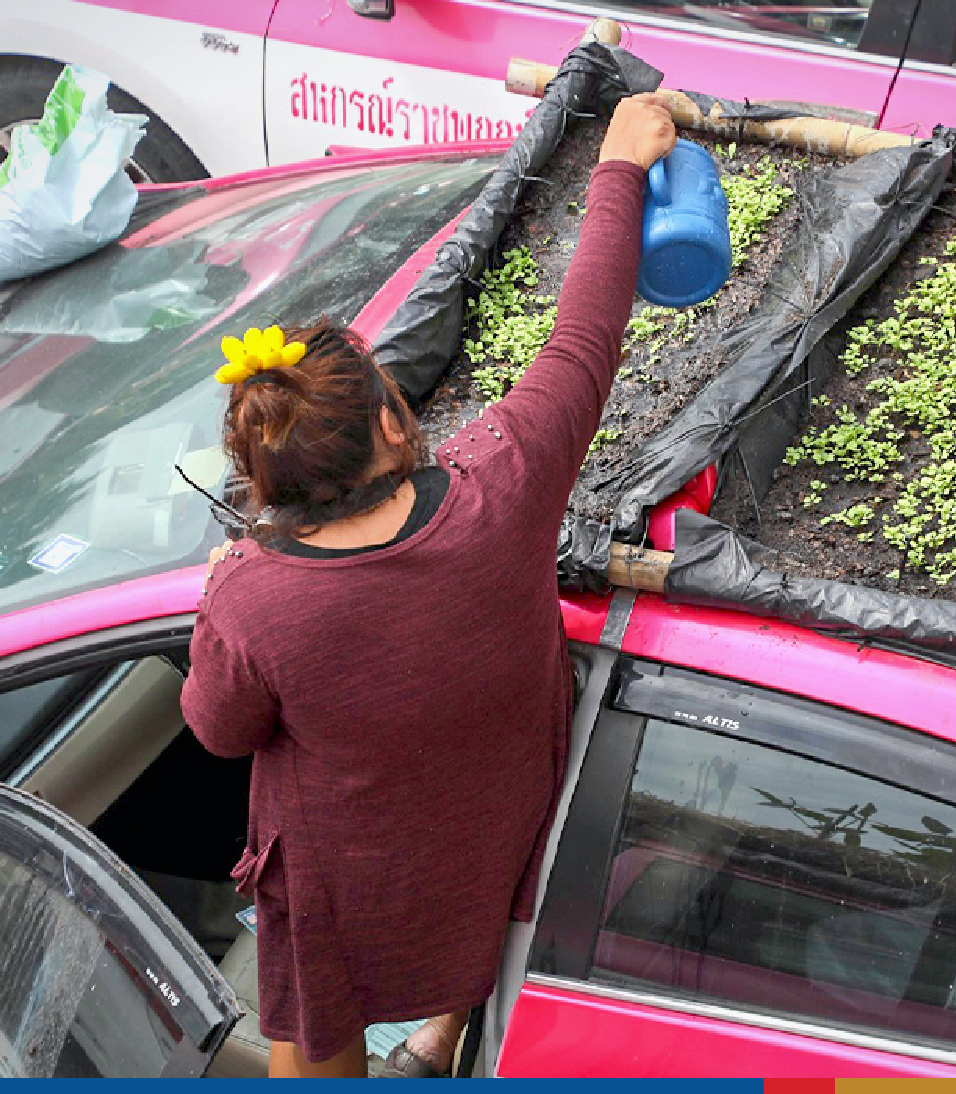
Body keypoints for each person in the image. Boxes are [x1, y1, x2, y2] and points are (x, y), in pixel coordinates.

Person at [179, 93, 677, 1078]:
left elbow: (216, 727)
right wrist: (616, 166)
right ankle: (441, 1034)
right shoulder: (505, 480)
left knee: (315, 1047)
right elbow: (582, 338)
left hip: (343, 894)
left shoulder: (252, 595)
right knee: (471, 919)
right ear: (396, 426)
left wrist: (215, 594)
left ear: (263, 481)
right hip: (488, 836)